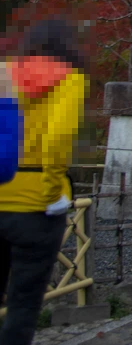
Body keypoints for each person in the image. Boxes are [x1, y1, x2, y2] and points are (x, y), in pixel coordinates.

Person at [0, 19, 88, 345]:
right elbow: (58, 139)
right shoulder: (69, 80)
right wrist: (52, 192)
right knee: (23, 303)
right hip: (36, 207)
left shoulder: (3, 75)